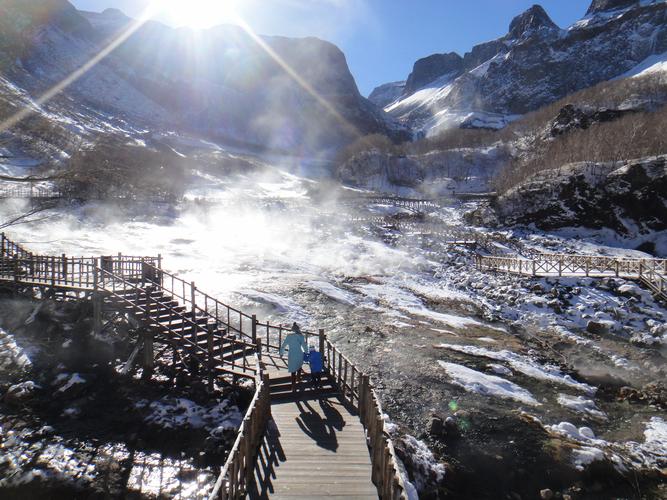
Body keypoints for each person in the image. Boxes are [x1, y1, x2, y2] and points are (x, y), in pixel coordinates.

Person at [279, 322, 307, 392]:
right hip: (299, 354)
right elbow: (304, 346)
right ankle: (298, 378)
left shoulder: (289, 336)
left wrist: (281, 353)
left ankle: (293, 386)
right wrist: (307, 352)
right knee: (299, 365)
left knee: (293, 371)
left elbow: (283, 345)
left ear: (292, 330)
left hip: (291, 354)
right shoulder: (301, 336)